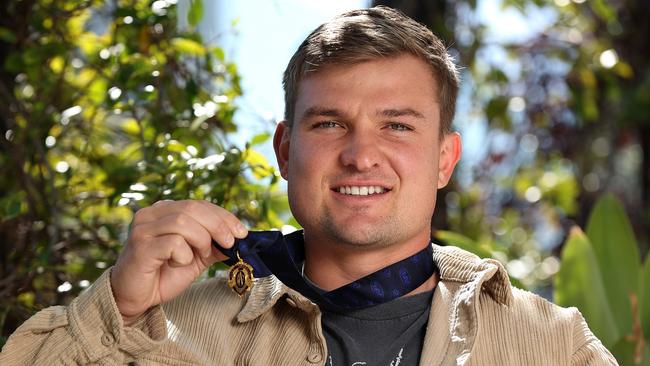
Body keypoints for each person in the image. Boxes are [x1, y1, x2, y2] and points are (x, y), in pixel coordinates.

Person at [1, 6, 616, 366]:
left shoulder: (550, 345)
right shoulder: (171, 332)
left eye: (397, 125)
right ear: (285, 150)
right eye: (329, 123)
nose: (360, 155)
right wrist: (122, 308)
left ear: (443, 160)